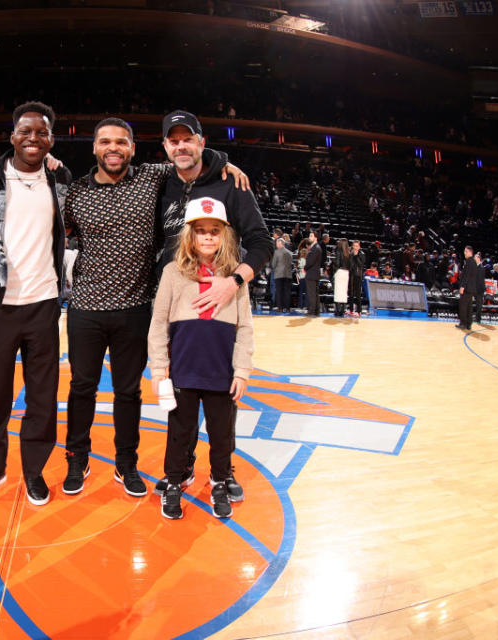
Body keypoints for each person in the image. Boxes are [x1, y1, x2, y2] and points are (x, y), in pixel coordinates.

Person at [62, 114, 250, 498]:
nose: (113, 148)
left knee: (128, 391)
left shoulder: (151, 177)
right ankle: (77, 459)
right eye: (104, 142)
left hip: (135, 306)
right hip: (85, 306)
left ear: (133, 148)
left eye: (121, 142)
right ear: (94, 148)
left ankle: (126, 463)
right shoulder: (76, 191)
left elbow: (193, 158)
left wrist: (224, 159)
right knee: (82, 387)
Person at [0, 101, 73, 506]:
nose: (33, 139)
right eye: (25, 131)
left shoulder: (60, 177)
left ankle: (34, 472)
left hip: (43, 303)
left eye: (42, 132)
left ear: (51, 138)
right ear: (12, 135)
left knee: (42, 396)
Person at [148, 197, 253, 519]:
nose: (208, 237)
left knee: (222, 435)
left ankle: (220, 481)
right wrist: (159, 369)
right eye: (201, 231)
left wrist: (243, 370)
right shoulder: (172, 272)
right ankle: (176, 481)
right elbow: (159, 322)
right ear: (189, 236)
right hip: (183, 371)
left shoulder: (236, 277)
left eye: (214, 231)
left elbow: (245, 326)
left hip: (221, 372)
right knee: (180, 432)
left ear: (225, 236)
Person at [269, 237, 293, 312]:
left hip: (279, 274)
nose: (276, 245)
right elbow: (291, 264)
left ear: (280, 244)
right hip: (288, 275)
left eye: (277, 243)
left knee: (279, 291)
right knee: (287, 292)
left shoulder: (276, 252)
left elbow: (273, 264)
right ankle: (288, 308)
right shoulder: (290, 253)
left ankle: (280, 308)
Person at [456, 246, 476, 331]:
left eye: (466, 251)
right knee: (469, 307)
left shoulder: (468, 261)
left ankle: (463, 324)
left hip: (466, 287)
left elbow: (466, 275)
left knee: (463, 306)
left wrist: (462, 286)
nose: (464, 253)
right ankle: (468, 324)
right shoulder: (474, 262)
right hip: (471, 288)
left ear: (470, 252)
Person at [304, 232, 322, 316]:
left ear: (315, 238)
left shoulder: (315, 248)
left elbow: (310, 261)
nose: (309, 237)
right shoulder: (316, 247)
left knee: (312, 293)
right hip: (314, 273)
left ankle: (312, 311)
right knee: (315, 293)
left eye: (311, 236)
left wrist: (305, 268)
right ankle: (316, 310)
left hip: (312, 273)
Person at [333, 238, 351, 317]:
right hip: (346, 273)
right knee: (344, 292)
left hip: (339, 271)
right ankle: (343, 310)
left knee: (337, 291)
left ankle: (337, 310)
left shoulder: (339, 251)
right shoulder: (349, 252)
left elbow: (337, 263)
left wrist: (334, 271)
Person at [348, 240, 365, 317]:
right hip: (351, 275)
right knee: (351, 293)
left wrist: (356, 256)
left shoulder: (362, 254)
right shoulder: (350, 253)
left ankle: (359, 311)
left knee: (358, 294)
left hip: (358, 275)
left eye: (357, 246)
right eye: (354, 246)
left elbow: (361, 265)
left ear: (359, 247)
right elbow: (350, 264)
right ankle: (351, 310)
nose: (355, 247)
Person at [474, 252, 486, 325]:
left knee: (479, 304)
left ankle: (478, 319)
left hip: (479, 289)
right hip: (474, 288)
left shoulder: (481, 267)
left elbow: (480, 280)